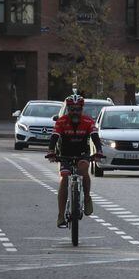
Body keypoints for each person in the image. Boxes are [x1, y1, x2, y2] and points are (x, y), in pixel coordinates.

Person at [46, 94, 103, 227]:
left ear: (82, 109)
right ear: (68, 109)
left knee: (83, 169)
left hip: (82, 154)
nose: (75, 112)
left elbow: (95, 137)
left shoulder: (88, 121)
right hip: (65, 154)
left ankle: (87, 197)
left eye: (78, 109)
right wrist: (51, 151)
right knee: (64, 177)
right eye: (72, 109)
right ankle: (61, 215)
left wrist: (99, 151)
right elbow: (54, 137)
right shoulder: (61, 121)